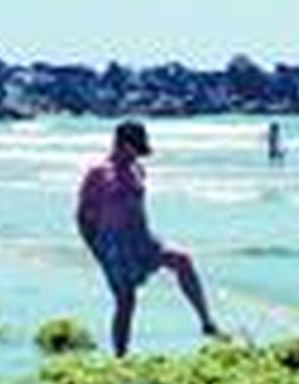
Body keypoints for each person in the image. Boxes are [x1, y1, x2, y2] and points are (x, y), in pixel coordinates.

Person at [76, 120, 222, 357]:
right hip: (114, 244)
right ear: (121, 144)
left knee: (182, 261)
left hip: (142, 238)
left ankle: (207, 322)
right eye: (135, 148)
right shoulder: (98, 173)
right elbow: (83, 216)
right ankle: (120, 357)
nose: (139, 154)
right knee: (126, 301)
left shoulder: (137, 169)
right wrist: (97, 251)